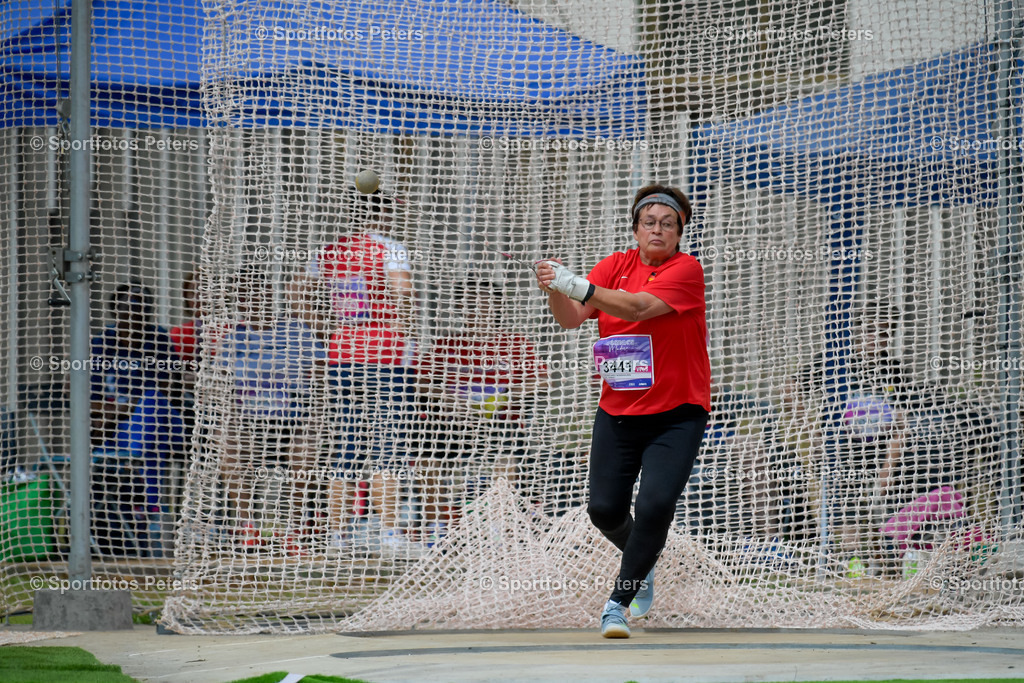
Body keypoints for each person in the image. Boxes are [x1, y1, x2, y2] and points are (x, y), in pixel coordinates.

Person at [535, 184, 711, 638]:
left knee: (654, 505)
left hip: (677, 413)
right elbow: (571, 318)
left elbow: (637, 308)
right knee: (604, 510)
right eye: (649, 222)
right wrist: (555, 288)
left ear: (679, 234)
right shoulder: (614, 265)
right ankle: (642, 560)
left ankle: (618, 603)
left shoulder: (686, 269)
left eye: (668, 224)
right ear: (635, 229)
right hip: (618, 411)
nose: (658, 230)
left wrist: (576, 284)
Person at [309, 192, 422, 558]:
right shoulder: (390, 248)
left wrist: (325, 332)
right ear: (382, 213)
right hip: (385, 356)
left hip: (342, 356)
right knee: (388, 446)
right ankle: (388, 534)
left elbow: (300, 292)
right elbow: (403, 292)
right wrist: (404, 330)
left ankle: (338, 537)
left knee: (347, 445)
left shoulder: (330, 251)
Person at [415, 278, 548, 544]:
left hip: (500, 420)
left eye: (484, 301)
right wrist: (448, 398)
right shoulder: (447, 344)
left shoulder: (515, 342)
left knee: (506, 449)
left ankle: (498, 524)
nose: (477, 307)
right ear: (460, 307)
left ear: (497, 306)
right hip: (454, 421)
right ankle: (437, 524)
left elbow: (542, 381)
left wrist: (505, 395)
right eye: (469, 301)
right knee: (427, 452)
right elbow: (421, 382)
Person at [210, 267, 326, 551]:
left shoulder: (298, 331)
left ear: (269, 294)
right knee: (225, 441)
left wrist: (315, 414)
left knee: (307, 446)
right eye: (243, 295)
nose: (251, 300)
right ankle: (247, 524)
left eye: (256, 292)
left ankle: (294, 527)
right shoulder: (232, 339)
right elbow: (220, 383)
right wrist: (227, 413)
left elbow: (321, 376)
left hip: (293, 418)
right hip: (248, 419)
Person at [90, 282, 188, 556]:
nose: (136, 311)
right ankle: (151, 510)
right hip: (119, 433)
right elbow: (80, 393)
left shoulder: (159, 340)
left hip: (165, 424)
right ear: (115, 310)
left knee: (151, 402)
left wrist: (121, 409)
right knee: (150, 439)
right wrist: (119, 411)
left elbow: (169, 389)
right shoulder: (101, 343)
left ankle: (139, 484)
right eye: (129, 305)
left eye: (142, 305)